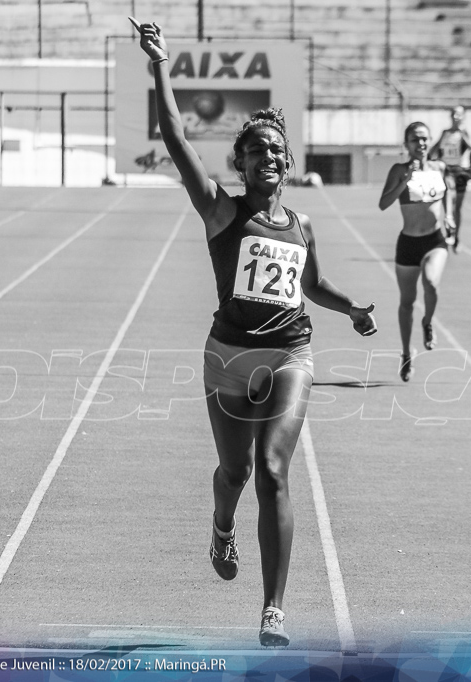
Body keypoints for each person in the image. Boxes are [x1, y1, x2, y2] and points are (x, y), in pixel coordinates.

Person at [131, 17, 377, 648]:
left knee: (272, 471)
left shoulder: (301, 223)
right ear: (238, 162)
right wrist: (160, 63)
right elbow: (173, 134)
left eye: (276, 149)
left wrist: (350, 308)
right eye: (256, 149)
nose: (268, 155)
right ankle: (220, 524)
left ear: (287, 163)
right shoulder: (220, 210)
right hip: (228, 358)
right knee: (235, 473)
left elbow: (310, 287)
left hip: (291, 351)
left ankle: (272, 609)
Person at [379, 121, 453, 382]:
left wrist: (450, 216)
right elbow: (383, 203)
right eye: (414, 140)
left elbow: (447, 193)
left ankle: (428, 322)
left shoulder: (439, 167)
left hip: (435, 240)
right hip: (408, 243)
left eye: (424, 139)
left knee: (431, 283)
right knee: (407, 302)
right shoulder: (399, 170)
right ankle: (406, 354)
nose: (420, 144)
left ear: (429, 141)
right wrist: (405, 181)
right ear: (406, 144)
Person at [429, 105, 471, 252]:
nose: (456, 117)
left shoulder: (465, 132)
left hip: (461, 171)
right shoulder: (445, 133)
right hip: (446, 170)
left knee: (457, 207)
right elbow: (435, 149)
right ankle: (447, 228)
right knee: (447, 200)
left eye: (459, 114)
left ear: (463, 116)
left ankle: (455, 236)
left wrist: (463, 135)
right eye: (454, 114)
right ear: (450, 116)